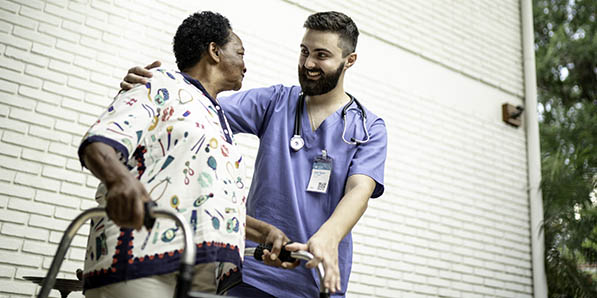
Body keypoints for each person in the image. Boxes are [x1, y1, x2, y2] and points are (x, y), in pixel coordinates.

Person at [121, 11, 387, 298]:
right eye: (304, 51)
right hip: (253, 271)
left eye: (321, 55)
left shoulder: (368, 127)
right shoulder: (275, 102)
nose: (308, 63)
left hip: (318, 276)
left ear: (349, 60)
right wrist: (156, 88)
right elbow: (198, 108)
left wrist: (328, 238)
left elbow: (360, 189)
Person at [78, 11, 259, 297]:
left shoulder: (216, 114)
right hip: (140, 258)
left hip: (201, 269)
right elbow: (100, 141)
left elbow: (207, 200)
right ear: (214, 51)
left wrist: (266, 234)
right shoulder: (159, 83)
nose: (245, 65)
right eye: (240, 53)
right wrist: (119, 180)